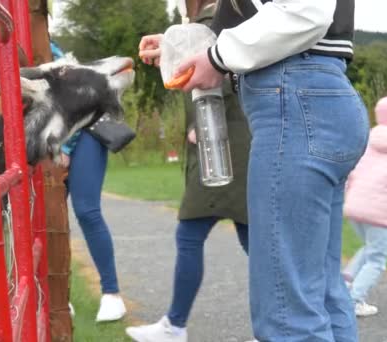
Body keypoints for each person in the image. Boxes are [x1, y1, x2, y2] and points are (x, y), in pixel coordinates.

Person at [139, 0, 368, 341]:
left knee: (288, 317)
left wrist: (217, 57)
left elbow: (305, 11)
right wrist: (182, 46)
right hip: (312, 96)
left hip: (293, 98)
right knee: (320, 294)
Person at [125, 4, 251, 341]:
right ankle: (280, 322)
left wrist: (204, 124)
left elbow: (215, 75)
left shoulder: (217, 15)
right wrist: (169, 48)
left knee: (194, 234)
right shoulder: (216, 15)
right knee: (254, 240)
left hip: (223, 148)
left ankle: (175, 326)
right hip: (233, 145)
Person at [50, 41, 127, 322]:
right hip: (52, 141)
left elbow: (72, 99)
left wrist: (65, 150)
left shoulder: (46, 51)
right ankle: (58, 298)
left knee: (86, 210)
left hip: (84, 133)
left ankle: (112, 295)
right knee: (48, 219)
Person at [341, 93, 387, 317]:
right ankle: (354, 300)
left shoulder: (369, 141)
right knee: (377, 260)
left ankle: (346, 280)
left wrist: (349, 197)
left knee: (370, 247)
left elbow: (352, 173)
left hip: (354, 206)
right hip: (378, 212)